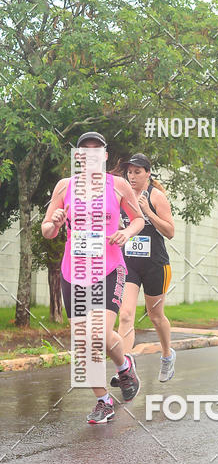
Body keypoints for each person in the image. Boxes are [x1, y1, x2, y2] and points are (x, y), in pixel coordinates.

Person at [41, 132, 145, 423]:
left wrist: (127, 231)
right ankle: (103, 400)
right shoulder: (65, 187)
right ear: (77, 157)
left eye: (96, 150)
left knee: (97, 335)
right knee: (82, 339)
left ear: (105, 156)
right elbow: (46, 229)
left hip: (109, 268)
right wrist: (55, 224)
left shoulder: (119, 185)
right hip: (72, 272)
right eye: (84, 151)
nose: (90, 155)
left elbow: (138, 218)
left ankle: (123, 365)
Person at [109, 153, 176, 385]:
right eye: (129, 172)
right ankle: (125, 368)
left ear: (148, 173)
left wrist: (147, 211)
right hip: (130, 264)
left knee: (156, 316)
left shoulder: (155, 196)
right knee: (126, 315)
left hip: (156, 265)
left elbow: (170, 231)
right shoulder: (122, 196)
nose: (133, 176)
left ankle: (167, 355)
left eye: (138, 172)